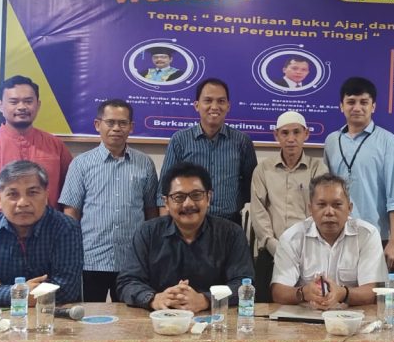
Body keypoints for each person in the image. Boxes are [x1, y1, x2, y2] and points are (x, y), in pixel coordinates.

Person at [117, 162, 253, 310]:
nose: (188, 203)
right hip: (159, 318)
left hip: (214, 319)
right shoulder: (147, 233)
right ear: (166, 202)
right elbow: (128, 282)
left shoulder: (231, 234)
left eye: (196, 195)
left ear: (208, 198)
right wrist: (155, 299)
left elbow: (243, 283)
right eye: (179, 197)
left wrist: (205, 300)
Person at [60, 99, 159, 301]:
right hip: (91, 258)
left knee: (131, 315)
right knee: (90, 315)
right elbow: (71, 213)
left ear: (131, 127)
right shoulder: (81, 164)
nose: (116, 128)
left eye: (123, 123)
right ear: (98, 125)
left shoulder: (145, 163)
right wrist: (70, 253)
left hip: (131, 260)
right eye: (110, 122)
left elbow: (151, 212)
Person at [0, 161, 83, 306]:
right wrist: (15, 293)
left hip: (51, 317)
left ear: (45, 197)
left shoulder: (66, 228)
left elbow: (66, 290)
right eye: (13, 194)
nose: (23, 203)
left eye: (32, 193)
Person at [0, 75, 72, 235]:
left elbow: (68, 198)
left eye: (28, 101)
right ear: (0, 105)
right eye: (14, 102)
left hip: (47, 238)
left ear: (38, 105)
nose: (22, 107)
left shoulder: (56, 146)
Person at [323, 77, 394, 270]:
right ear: (341, 106)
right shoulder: (332, 141)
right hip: (338, 232)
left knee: (374, 288)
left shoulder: (389, 142)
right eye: (351, 102)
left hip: (376, 235)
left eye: (364, 102)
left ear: (373, 106)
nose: (357, 108)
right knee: (339, 286)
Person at [271, 174, 384, 307]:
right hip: (306, 315)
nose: (329, 212)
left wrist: (343, 293)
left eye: (337, 205)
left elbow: (371, 292)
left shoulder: (367, 235)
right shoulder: (292, 238)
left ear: (349, 208)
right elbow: (278, 292)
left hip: (353, 315)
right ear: (310, 209)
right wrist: (304, 293)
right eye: (321, 205)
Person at [249, 111, 327, 301]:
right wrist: (274, 245)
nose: (291, 139)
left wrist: (301, 248)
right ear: (276, 135)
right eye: (285, 133)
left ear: (306, 134)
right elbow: (258, 212)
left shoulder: (318, 169)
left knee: (310, 304)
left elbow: (321, 210)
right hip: (271, 252)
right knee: (265, 307)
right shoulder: (263, 169)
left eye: (296, 132)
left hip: (309, 252)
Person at [157, 78, 257, 224]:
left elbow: (251, 187)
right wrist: (166, 228)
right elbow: (164, 189)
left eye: (221, 101)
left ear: (228, 106)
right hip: (188, 221)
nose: (214, 107)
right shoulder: (180, 140)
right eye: (208, 100)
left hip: (229, 223)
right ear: (197, 105)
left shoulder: (242, 141)